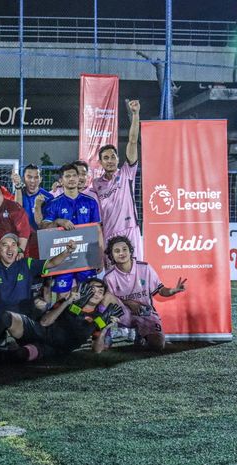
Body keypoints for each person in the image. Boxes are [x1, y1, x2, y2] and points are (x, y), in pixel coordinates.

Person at [0, 234, 74, 327]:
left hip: (23, 319)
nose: (10, 248)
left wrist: (67, 252)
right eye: (5, 245)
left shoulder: (27, 263)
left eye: (13, 244)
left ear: (18, 249)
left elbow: (52, 263)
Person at [103, 236, 187, 351]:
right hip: (123, 313)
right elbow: (108, 300)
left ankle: (141, 333)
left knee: (158, 345)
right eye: (117, 251)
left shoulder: (145, 268)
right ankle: (107, 334)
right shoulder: (109, 276)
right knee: (105, 297)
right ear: (111, 255)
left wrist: (172, 290)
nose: (121, 253)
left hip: (144, 312)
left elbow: (161, 290)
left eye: (124, 249)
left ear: (130, 251)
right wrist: (129, 303)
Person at [90, 99, 143, 259]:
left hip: (129, 230)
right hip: (109, 234)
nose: (110, 160)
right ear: (100, 162)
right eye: (106, 158)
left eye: (113, 156)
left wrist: (135, 115)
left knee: (135, 273)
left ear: (118, 159)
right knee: (113, 278)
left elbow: (133, 141)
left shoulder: (126, 173)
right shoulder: (96, 184)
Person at [40, 163, 102, 296]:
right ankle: (62, 317)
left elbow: (97, 231)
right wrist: (58, 222)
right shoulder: (53, 204)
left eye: (74, 175)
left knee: (86, 295)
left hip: (85, 257)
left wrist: (100, 257)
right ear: (61, 181)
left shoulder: (91, 202)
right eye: (68, 176)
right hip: (62, 258)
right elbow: (43, 227)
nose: (72, 178)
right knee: (62, 297)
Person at [12, 164, 54, 258]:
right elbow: (17, 212)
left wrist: (38, 206)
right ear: (23, 178)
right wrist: (18, 187)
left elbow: (44, 224)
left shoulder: (48, 198)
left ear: (41, 179)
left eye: (36, 177)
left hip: (41, 242)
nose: (32, 181)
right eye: (29, 177)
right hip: (22, 241)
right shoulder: (18, 194)